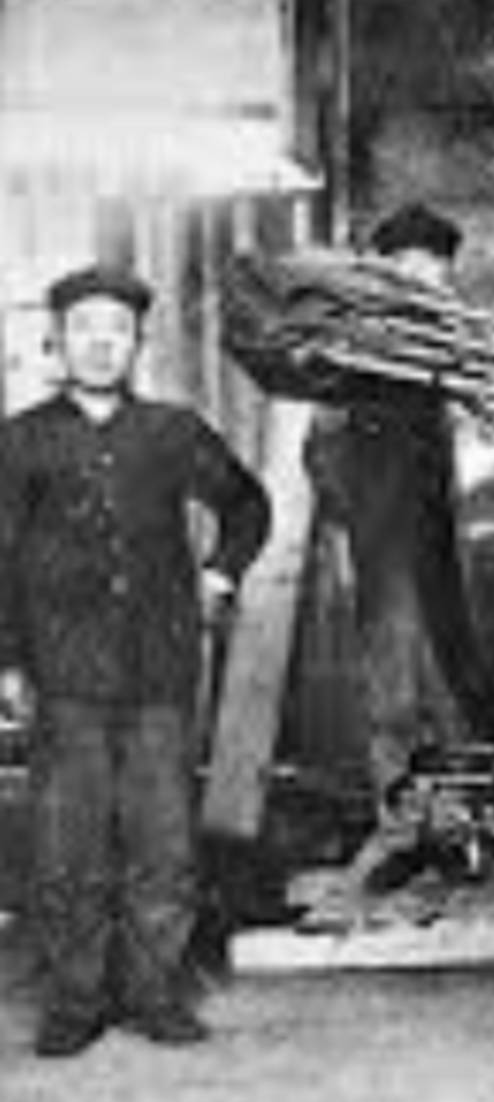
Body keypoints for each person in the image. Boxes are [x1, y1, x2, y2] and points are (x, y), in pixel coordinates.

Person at [0, 266, 271, 1056]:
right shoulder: (19, 441)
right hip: (65, 674)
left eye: (116, 329)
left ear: (137, 343)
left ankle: (155, 994)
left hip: (159, 670)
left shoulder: (172, 431)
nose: (100, 343)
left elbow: (248, 505)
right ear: (57, 342)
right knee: (69, 842)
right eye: (83, 328)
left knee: (163, 840)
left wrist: (220, 574)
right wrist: (7, 662)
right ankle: (75, 1002)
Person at [301, 205, 480, 921]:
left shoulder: (471, 349)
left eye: (432, 264)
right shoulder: (358, 361)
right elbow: (323, 454)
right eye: (404, 264)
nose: (420, 276)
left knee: (461, 688)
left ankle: (468, 835)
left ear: (448, 273)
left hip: (464, 550)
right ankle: (402, 830)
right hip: (390, 547)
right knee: (395, 692)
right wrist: (365, 519)